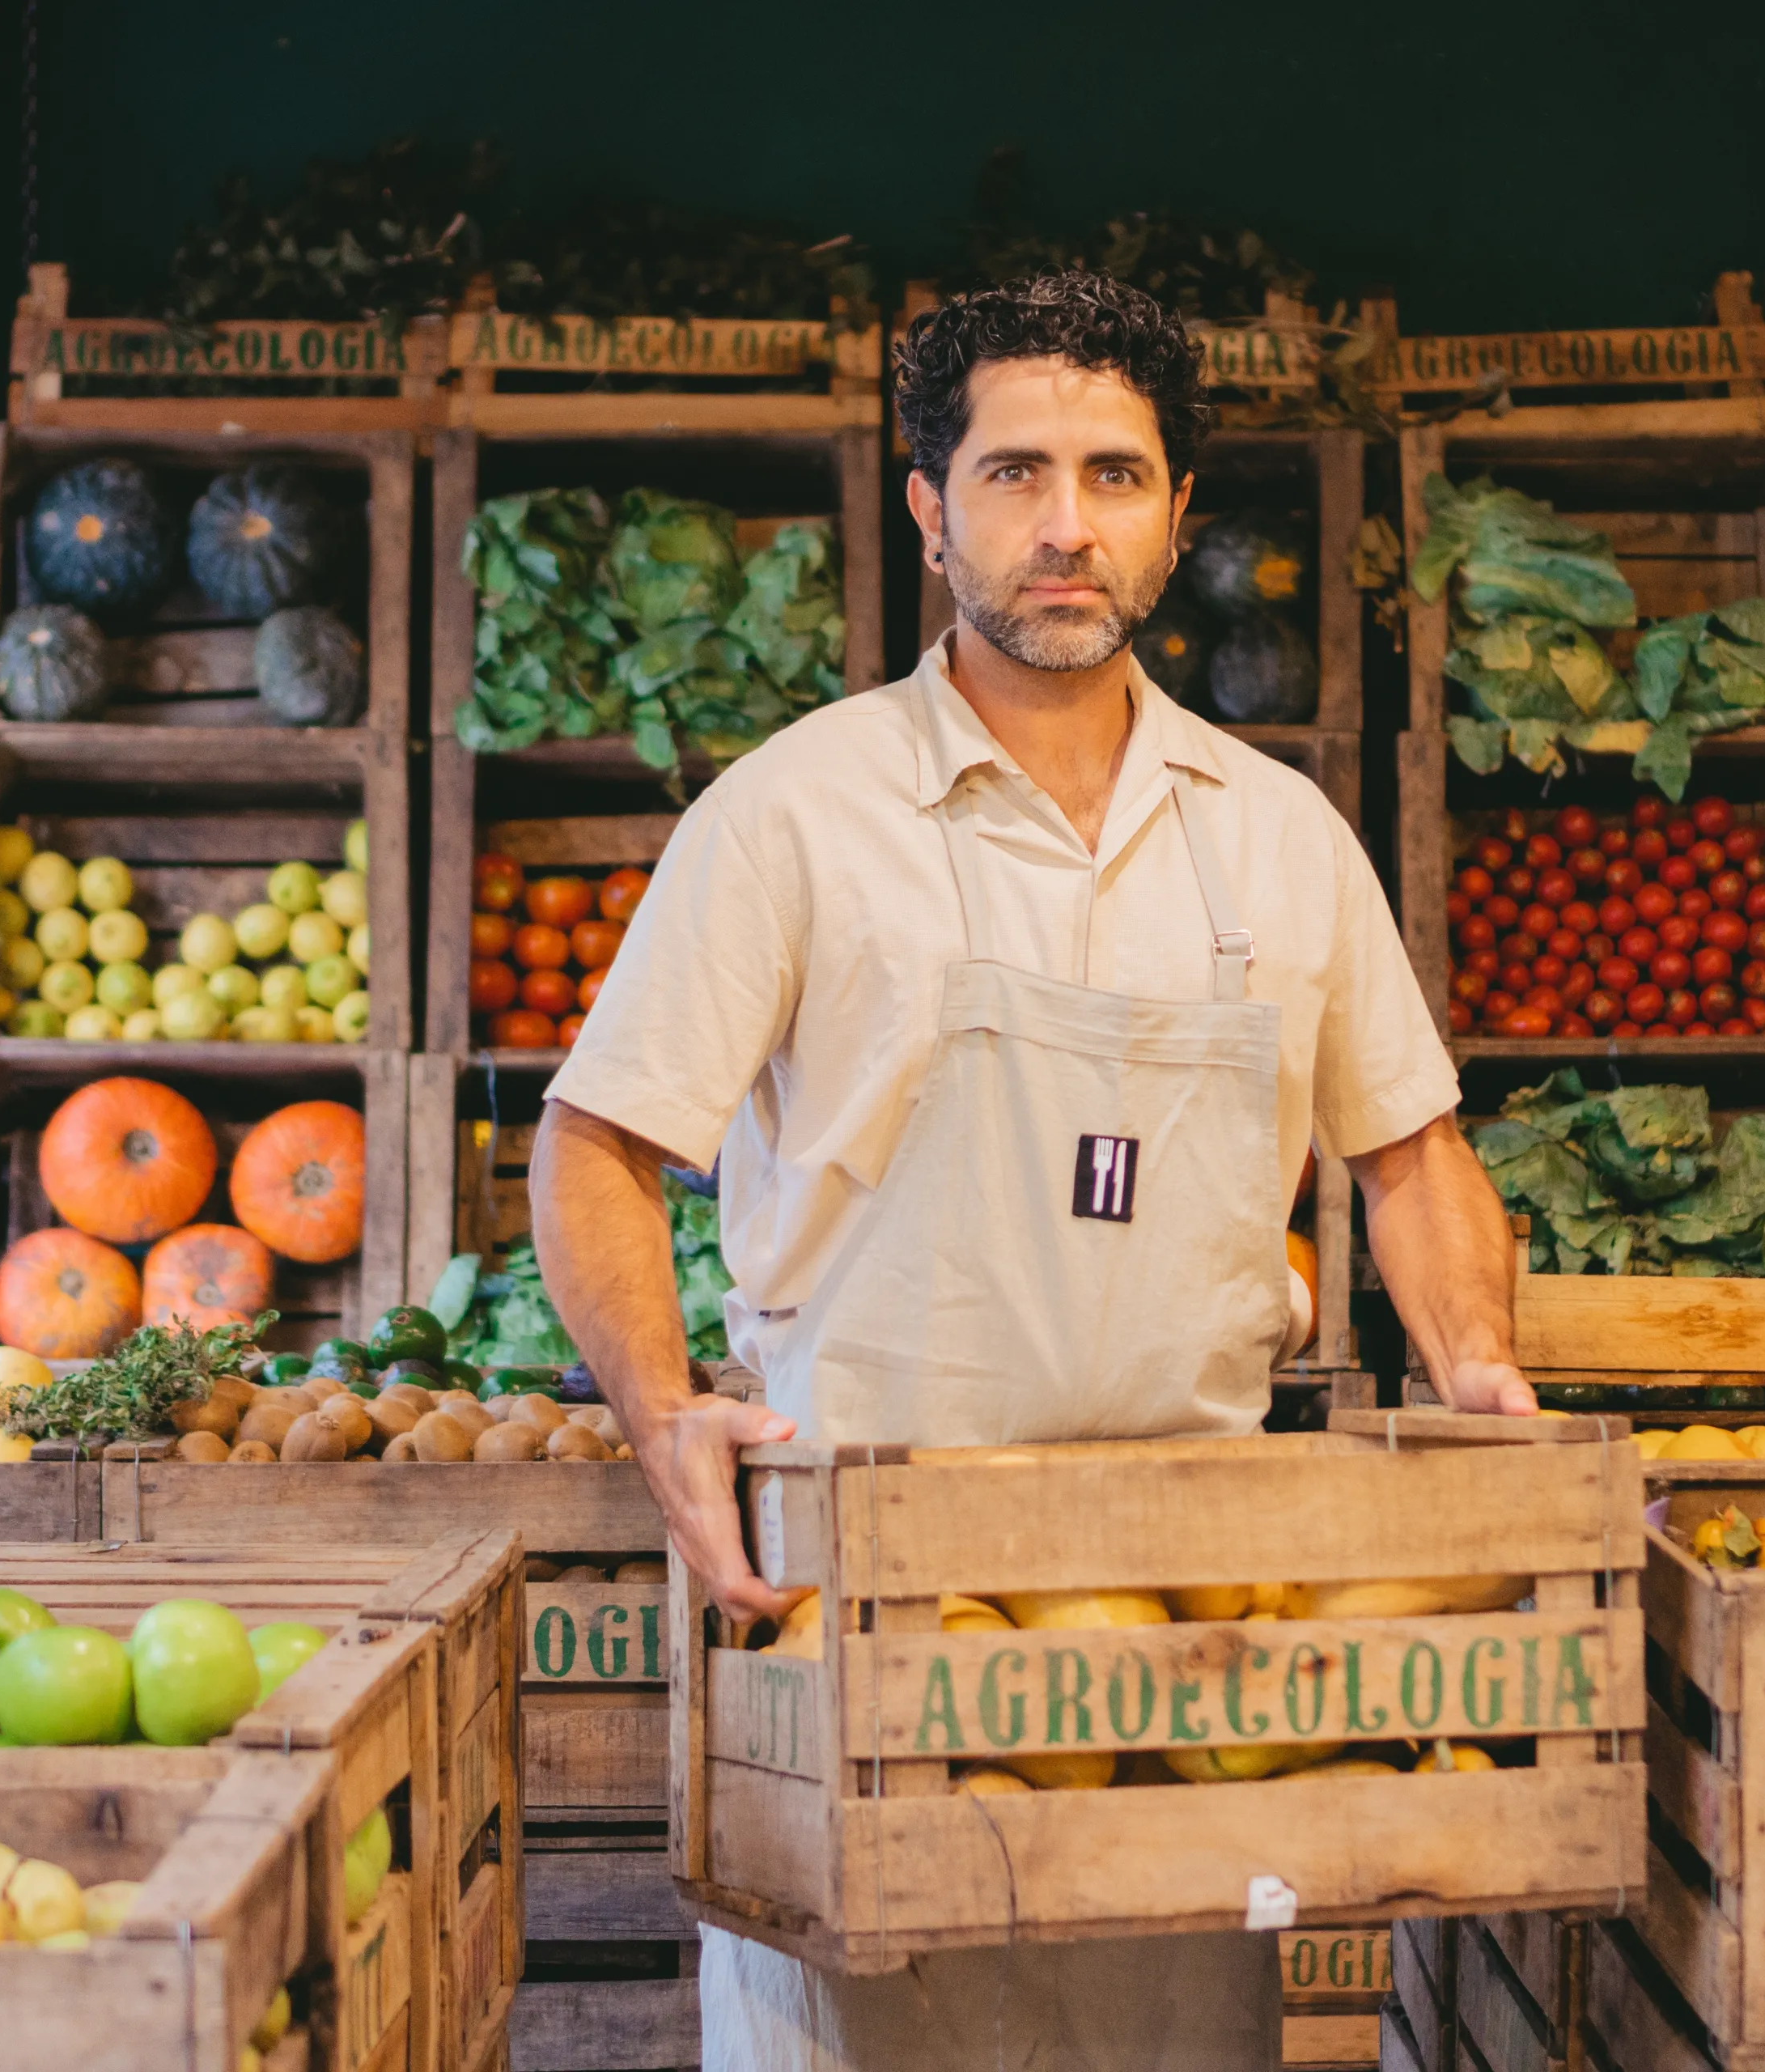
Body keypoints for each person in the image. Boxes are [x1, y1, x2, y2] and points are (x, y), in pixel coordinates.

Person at [530, 268, 1535, 2072]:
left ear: (1177, 515)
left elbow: (1413, 1152)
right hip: (865, 1607)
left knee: (1168, 2032)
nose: (1067, 526)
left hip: (1188, 1640)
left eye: (1115, 475)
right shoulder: (793, 813)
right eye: (1014, 474)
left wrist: (1477, 1365)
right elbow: (597, 1141)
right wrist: (659, 1405)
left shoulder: (1279, 835)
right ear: (930, 510)